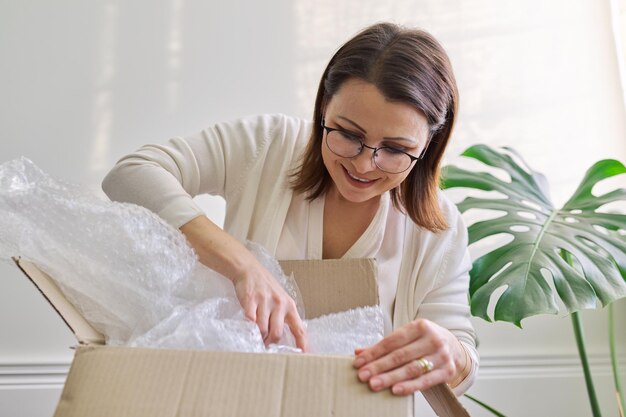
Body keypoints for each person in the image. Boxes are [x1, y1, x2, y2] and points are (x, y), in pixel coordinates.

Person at [102, 22, 478, 396]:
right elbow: (131, 174)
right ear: (323, 109)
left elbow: (461, 361)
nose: (364, 164)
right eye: (348, 134)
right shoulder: (269, 144)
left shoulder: (439, 230)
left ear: (428, 144)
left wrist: (451, 354)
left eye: (395, 149)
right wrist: (243, 264)